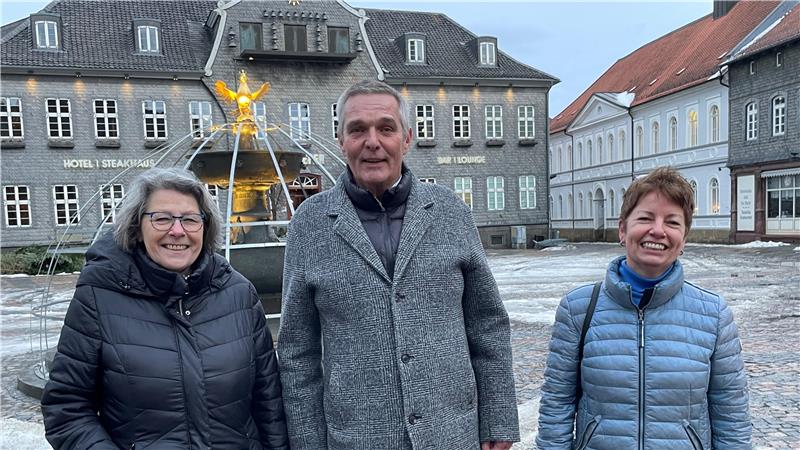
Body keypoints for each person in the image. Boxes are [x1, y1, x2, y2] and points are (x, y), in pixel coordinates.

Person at [277, 80, 519, 450]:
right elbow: (297, 352)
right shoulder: (310, 223)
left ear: (406, 139)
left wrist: (498, 423)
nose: (372, 141)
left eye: (385, 128)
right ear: (341, 140)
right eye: (357, 129)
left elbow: (487, 325)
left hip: (452, 434)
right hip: (357, 439)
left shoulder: (450, 212)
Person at [41, 167, 288, 450]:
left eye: (190, 219)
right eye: (161, 218)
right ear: (137, 226)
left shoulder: (239, 294)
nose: (178, 231)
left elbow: (269, 403)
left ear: (205, 227)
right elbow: (67, 407)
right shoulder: (100, 296)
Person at [536, 167, 751, 450]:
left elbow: (731, 414)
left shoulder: (713, 314)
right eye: (646, 218)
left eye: (672, 222)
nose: (658, 230)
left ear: (684, 238)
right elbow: (557, 403)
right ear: (623, 230)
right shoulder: (578, 308)